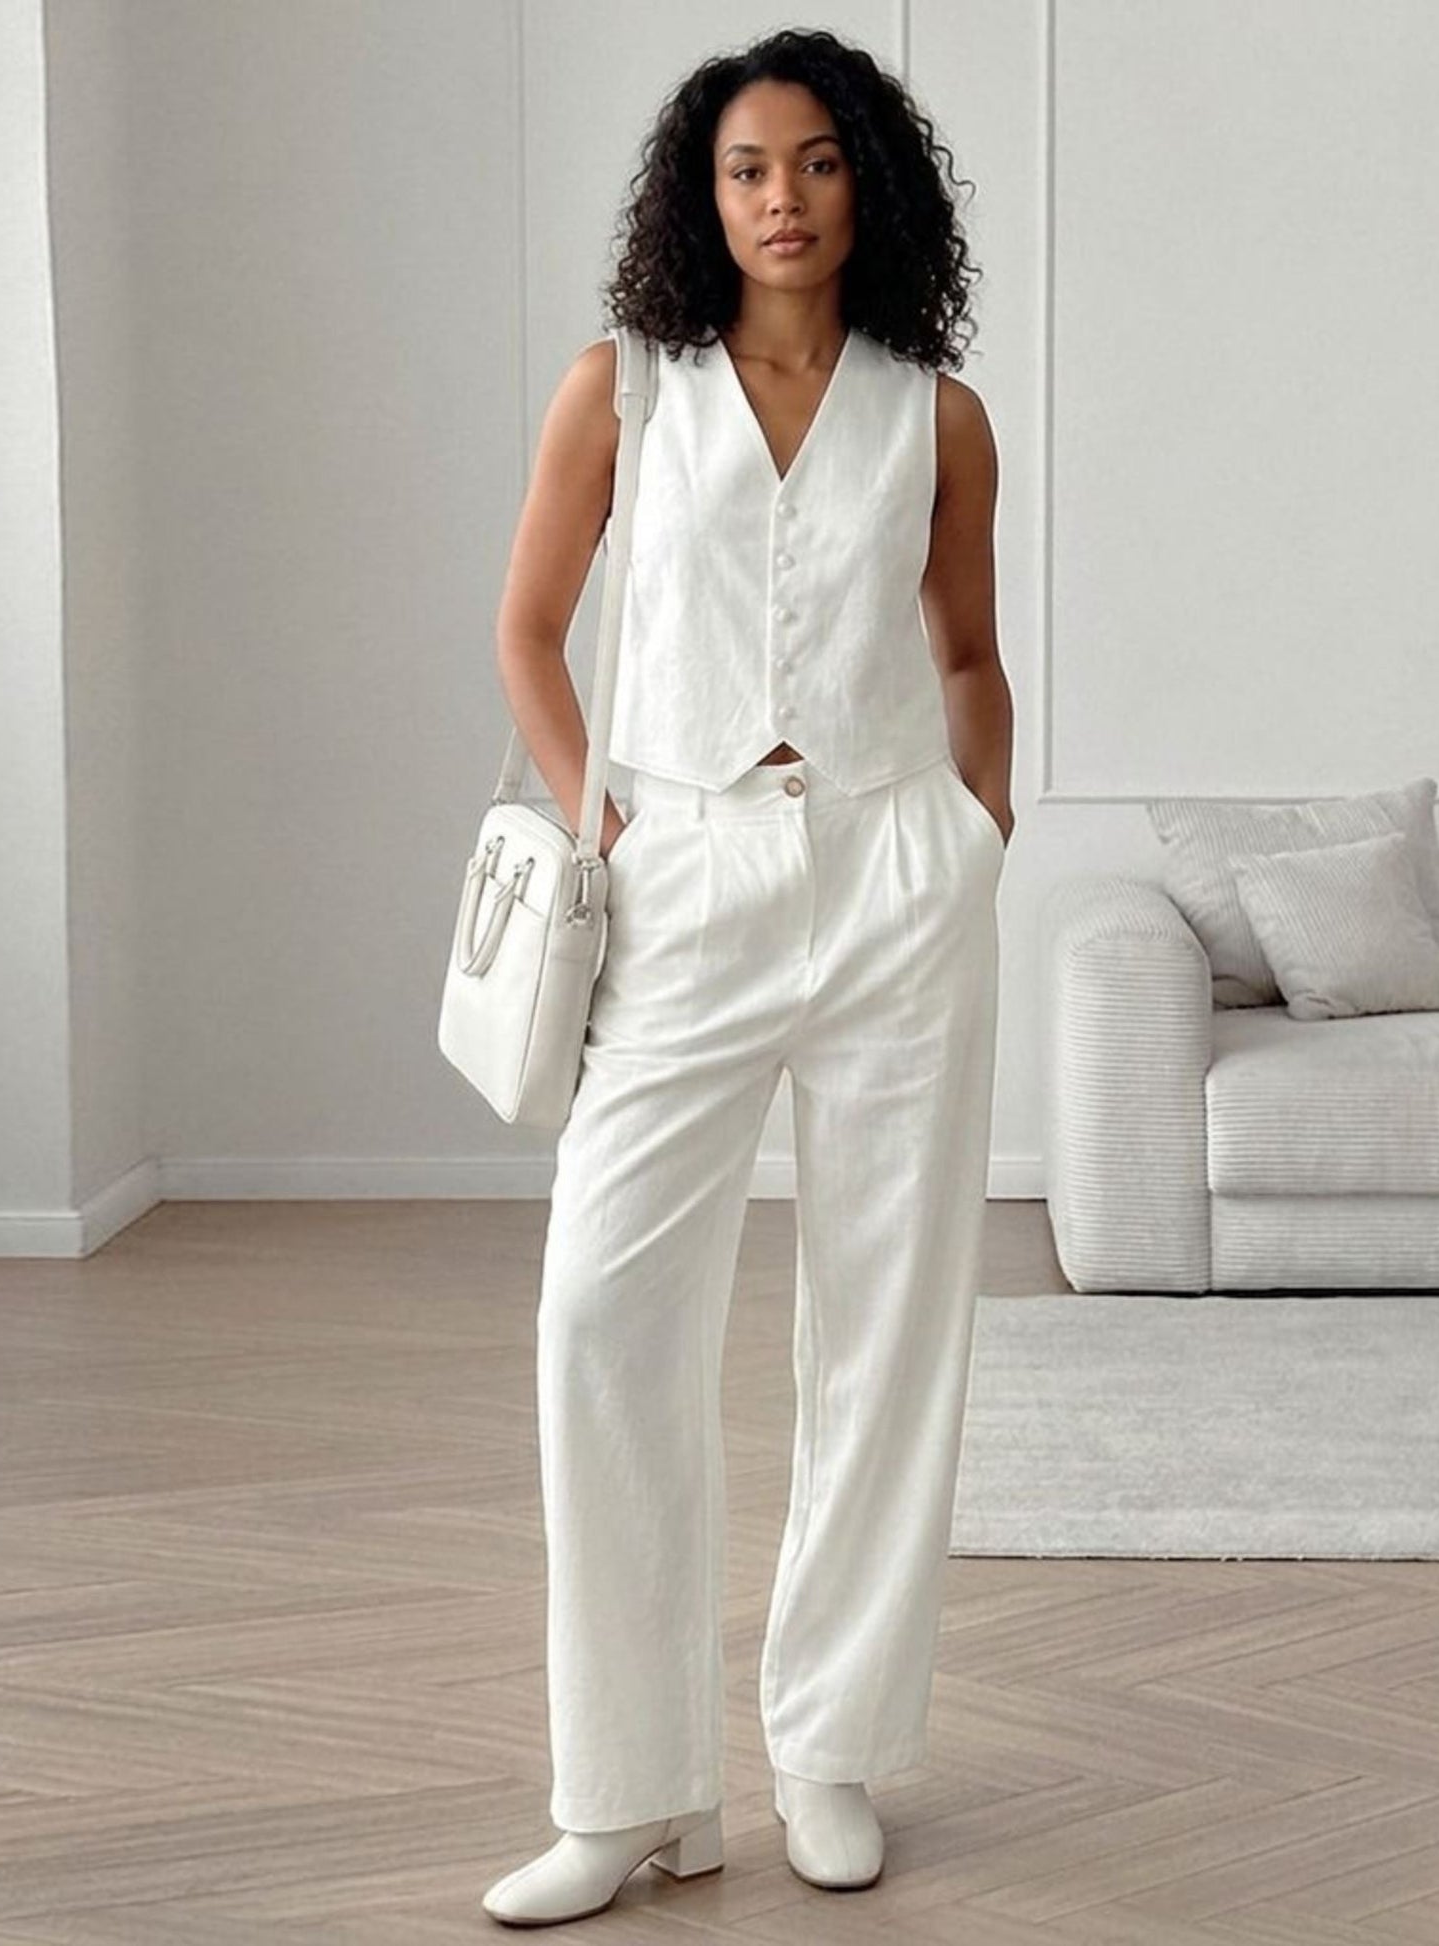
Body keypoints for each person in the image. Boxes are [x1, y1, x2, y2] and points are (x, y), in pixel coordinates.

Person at [481, 27, 1015, 1928]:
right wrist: (598, 821)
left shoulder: (933, 413)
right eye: (741, 169)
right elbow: (531, 628)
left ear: (868, 181)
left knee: (885, 1328)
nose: (778, 198)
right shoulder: (620, 390)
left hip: (890, 879)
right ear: (697, 200)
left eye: (813, 162)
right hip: (685, 875)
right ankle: (630, 1793)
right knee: (602, 1320)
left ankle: (827, 1753)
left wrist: (976, 833)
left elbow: (966, 655)